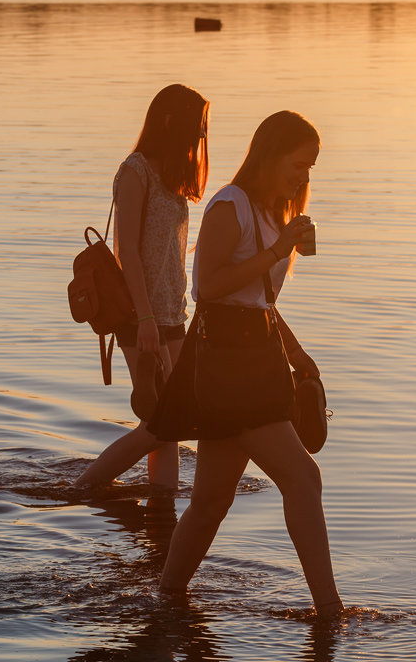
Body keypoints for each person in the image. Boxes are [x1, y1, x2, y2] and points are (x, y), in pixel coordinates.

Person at [148, 110, 342, 614]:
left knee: (211, 501)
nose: (305, 176)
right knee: (303, 477)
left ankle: (167, 595)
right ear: (269, 155)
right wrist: (277, 248)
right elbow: (209, 289)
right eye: (299, 164)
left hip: (255, 355)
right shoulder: (228, 207)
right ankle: (329, 610)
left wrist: (298, 354)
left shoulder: (269, 212)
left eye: (311, 167)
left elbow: (259, 300)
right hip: (227, 363)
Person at [75, 84, 210, 491]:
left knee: (169, 422)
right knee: (160, 424)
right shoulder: (136, 171)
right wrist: (147, 318)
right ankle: (83, 488)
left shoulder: (172, 176)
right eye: (197, 126)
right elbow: (127, 252)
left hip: (172, 312)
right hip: (141, 314)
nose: (202, 136)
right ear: (169, 121)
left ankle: (162, 510)